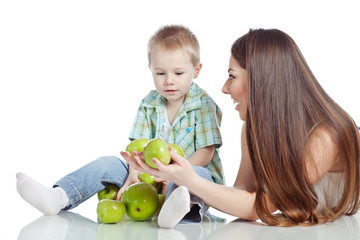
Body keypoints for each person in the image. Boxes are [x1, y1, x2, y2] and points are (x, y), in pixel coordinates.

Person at [124, 28, 360, 227]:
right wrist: (180, 176)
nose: (225, 88)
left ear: (261, 79)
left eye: (232, 76)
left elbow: (260, 207)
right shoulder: (252, 131)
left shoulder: (326, 137)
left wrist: (189, 178)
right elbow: (241, 196)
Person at [16, 25, 224, 228]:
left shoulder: (203, 105)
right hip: (147, 174)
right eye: (161, 73)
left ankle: (175, 211)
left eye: (178, 73)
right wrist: (134, 172)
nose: (169, 81)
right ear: (151, 69)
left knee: (201, 173)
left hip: (187, 176)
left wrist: (177, 175)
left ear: (196, 70)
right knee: (108, 163)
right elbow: (137, 147)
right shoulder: (148, 103)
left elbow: (206, 151)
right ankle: (59, 196)